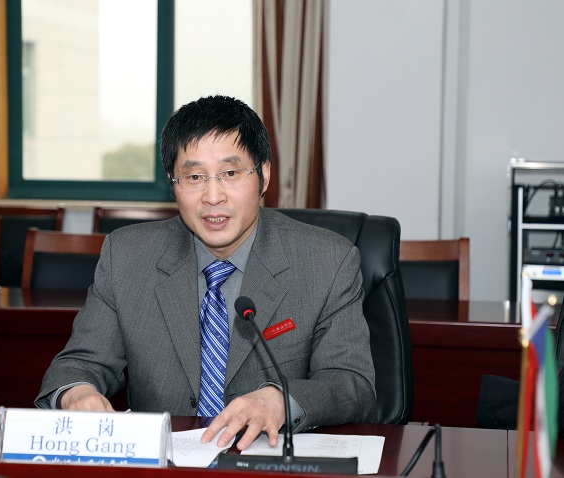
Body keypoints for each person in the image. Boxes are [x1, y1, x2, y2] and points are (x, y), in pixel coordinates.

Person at [35, 95, 376, 450]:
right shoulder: (127, 256)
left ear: (264, 176)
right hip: (163, 467)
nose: (213, 197)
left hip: (269, 463)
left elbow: (352, 383)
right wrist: (77, 394)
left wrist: (281, 399)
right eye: (194, 176)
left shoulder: (327, 261)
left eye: (230, 173)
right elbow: (79, 364)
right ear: (173, 184)